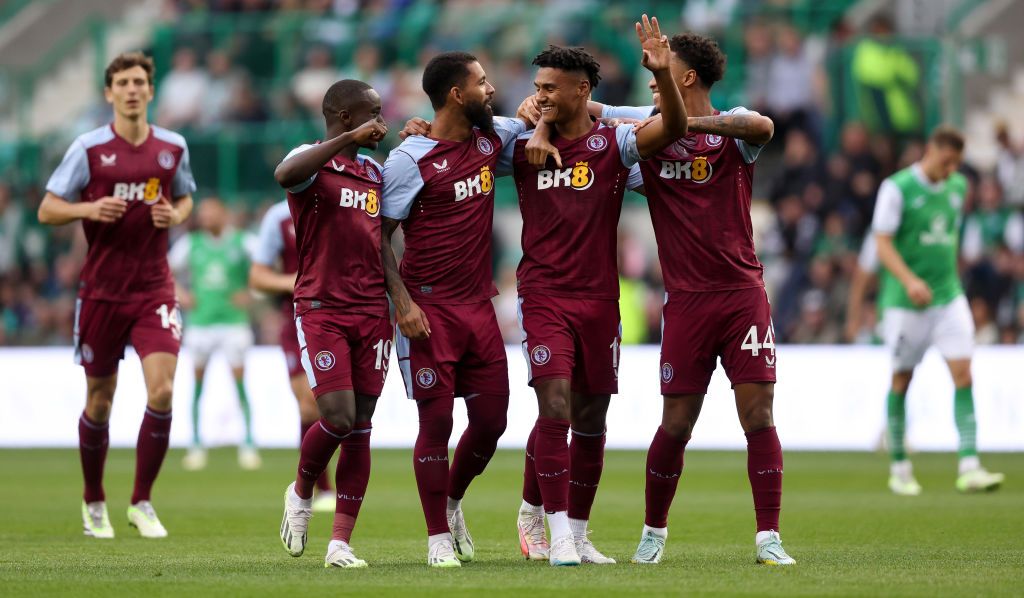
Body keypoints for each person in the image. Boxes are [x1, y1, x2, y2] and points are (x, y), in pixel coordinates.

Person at [533, 29, 794, 565]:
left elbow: (764, 126)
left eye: (663, 69)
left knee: (759, 415)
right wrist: (539, 112)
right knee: (676, 423)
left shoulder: (733, 129)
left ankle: (768, 536)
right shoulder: (643, 148)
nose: (655, 84)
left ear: (689, 77)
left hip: (742, 293)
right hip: (686, 302)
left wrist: (682, 121)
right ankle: (653, 532)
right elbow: (591, 111)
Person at [510, 16, 687, 567]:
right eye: (535, 87)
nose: (537, 96)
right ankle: (550, 527)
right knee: (554, 403)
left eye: (547, 88)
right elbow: (460, 136)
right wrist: (422, 127)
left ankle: (579, 533)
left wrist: (664, 76)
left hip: (598, 301)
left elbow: (673, 131)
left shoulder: (614, 143)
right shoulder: (515, 143)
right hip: (542, 295)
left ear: (581, 90)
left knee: (591, 420)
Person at [38, 52, 195, 539]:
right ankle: (93, 501)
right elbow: (47, 209)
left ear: (150, 91)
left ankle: (142, 501)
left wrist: (177, 215)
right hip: (102, 292)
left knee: (164, 390)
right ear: (109, 93)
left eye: (139, 82)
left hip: (154, 288)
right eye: (122, 82)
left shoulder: (172, 147)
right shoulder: (88, 148)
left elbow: (186, 196)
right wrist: (88, 208)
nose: (131, 90)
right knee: (100, 400)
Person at [381, 51, 529, 568]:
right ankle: (436, 536)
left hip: (478, 307)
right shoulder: (408, 160)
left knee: (492, 422)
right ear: (455, 95)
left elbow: (538, 118)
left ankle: (450, 498)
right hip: (428, 311)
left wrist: (540, 110)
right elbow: (378, 237)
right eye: (481, 82)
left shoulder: (491, 138)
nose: (491, 89)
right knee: (437, 420)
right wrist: (402, 303)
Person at [275, 79, 391, 568]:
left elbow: (383, 242)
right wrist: (346, 140)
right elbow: (285, 174)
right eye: (374, 113)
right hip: (322, 307)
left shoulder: (373, 171)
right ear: (346, 117)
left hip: (372, 312)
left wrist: (400, 299)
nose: (382, 123)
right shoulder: (314, 159)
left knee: (361, 427)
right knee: (338, 418)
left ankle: (341, 543)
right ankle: (301, 492)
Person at [872, 126, 1004, 496]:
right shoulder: (897, 188)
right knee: (902, 380)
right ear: (931, 150)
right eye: (946, 162)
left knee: (963, 374)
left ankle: (970, 465)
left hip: (948, 297)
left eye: (955, 164)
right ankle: (899, 466)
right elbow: (882, 244)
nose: (950, 170)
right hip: (905, 302)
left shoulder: (958, 187)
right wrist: (910, 280)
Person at [250, 199, 335, 512]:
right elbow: (258, 278)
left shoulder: (343, 202)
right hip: (298, 319)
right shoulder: (278, 216)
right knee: (309, 404)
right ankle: (316, 488)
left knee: (343, 411)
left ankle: (330, 490)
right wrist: (294, 281)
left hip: (345, 315)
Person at [168, 197, 259, 471]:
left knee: (240, 383)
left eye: (211, 212)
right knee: (197, 385)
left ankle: (248, 443)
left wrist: (252, 292)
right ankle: (195, 444)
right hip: (201, 323)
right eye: (203, 213)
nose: (206, 217)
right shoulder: (190, 244)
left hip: (234, 323)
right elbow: (165, 271)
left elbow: (267, 264)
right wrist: (181, 294)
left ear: (223, 213)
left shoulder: (242, 241)